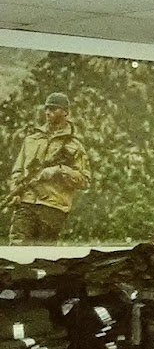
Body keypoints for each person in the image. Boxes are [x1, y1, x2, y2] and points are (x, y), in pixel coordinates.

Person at [7, 91, 90, 244]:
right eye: (46, 108)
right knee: (17, 250)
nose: (47, 112)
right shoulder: (31, 139)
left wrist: (60, 170)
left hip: (53, 207)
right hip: (26, 203)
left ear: (65, 112)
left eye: (53, 108)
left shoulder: (74, 145)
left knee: (45, 254)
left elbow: (84, 181)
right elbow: (18, 171)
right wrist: (15, 191)